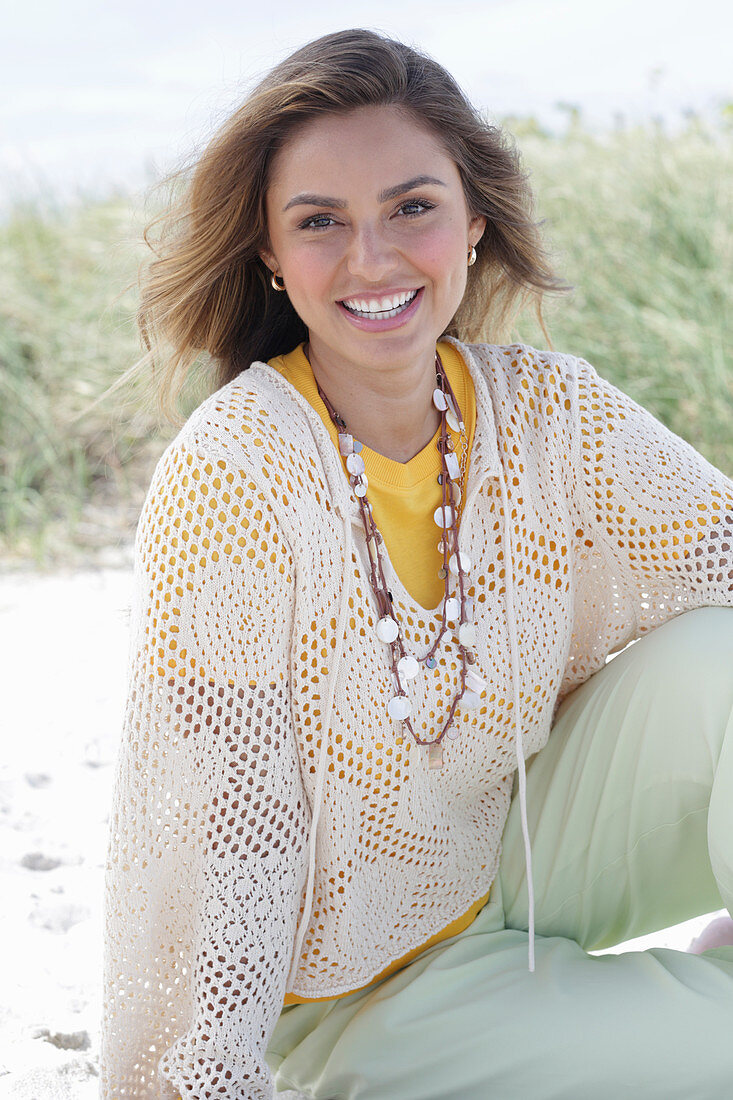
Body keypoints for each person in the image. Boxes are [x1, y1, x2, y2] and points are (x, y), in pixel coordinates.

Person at [100, 28, 733, 1100]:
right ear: (267, 252)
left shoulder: (546, 405)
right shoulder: (234, 472)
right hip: (360, 988)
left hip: (522, 852)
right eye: (319, 222)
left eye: (411, 207)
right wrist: (211, 1076)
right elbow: (227, 838)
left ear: (474, 220)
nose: (372, 258)